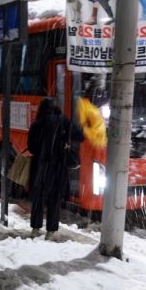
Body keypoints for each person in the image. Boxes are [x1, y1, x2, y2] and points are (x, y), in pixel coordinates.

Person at [27, 98, 84, 240]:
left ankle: (35, 228)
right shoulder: (63, 121)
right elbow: (80, 136)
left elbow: (32, 148)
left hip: (40, 167)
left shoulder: (37, 124)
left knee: (38, 197)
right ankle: (50, 231)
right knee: (54, 199)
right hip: (57, 168)